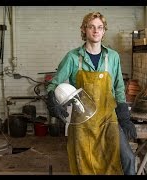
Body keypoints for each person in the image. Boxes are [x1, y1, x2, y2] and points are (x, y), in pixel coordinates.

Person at [46, 12, 137, 175]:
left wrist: (124, 118)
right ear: (84, 30)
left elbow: (119, 89)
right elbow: (54, 83)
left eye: (100, 27)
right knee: (85, 166)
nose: (96, 31)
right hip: (82, 123)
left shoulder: (113, 57)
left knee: (128, 158)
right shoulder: (73, 58)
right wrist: (52, 101)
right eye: (91, 27)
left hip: (108, 119)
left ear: (104, 31)